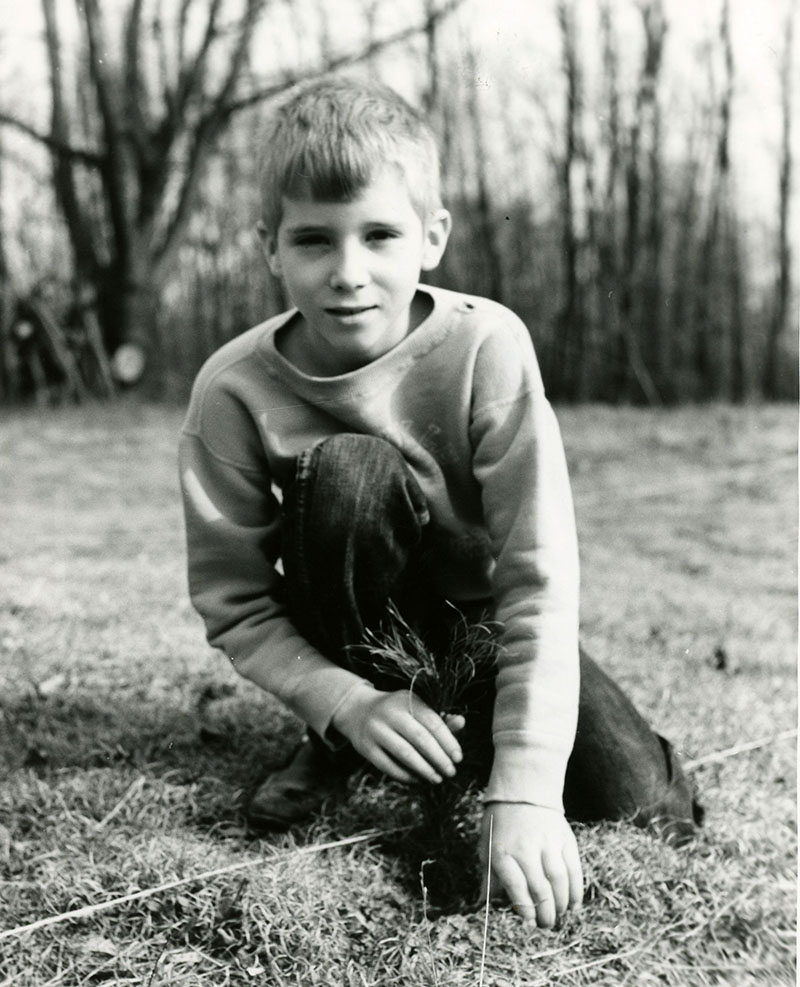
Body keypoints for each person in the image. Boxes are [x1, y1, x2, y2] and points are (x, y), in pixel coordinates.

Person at [179, 76, 700, 931]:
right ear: (270, 245)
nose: (348, 272)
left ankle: (465, 732)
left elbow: (538, 576)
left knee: (651, 810)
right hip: (349, 631)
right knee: (348, 472)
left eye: (379, 234)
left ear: (432, 236)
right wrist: (343, 700)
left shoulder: (486, 344)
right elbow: (233, 600)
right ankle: (344, 738)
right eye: (314, 239)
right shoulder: (232, 391)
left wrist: (528, 785)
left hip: (481, 624)